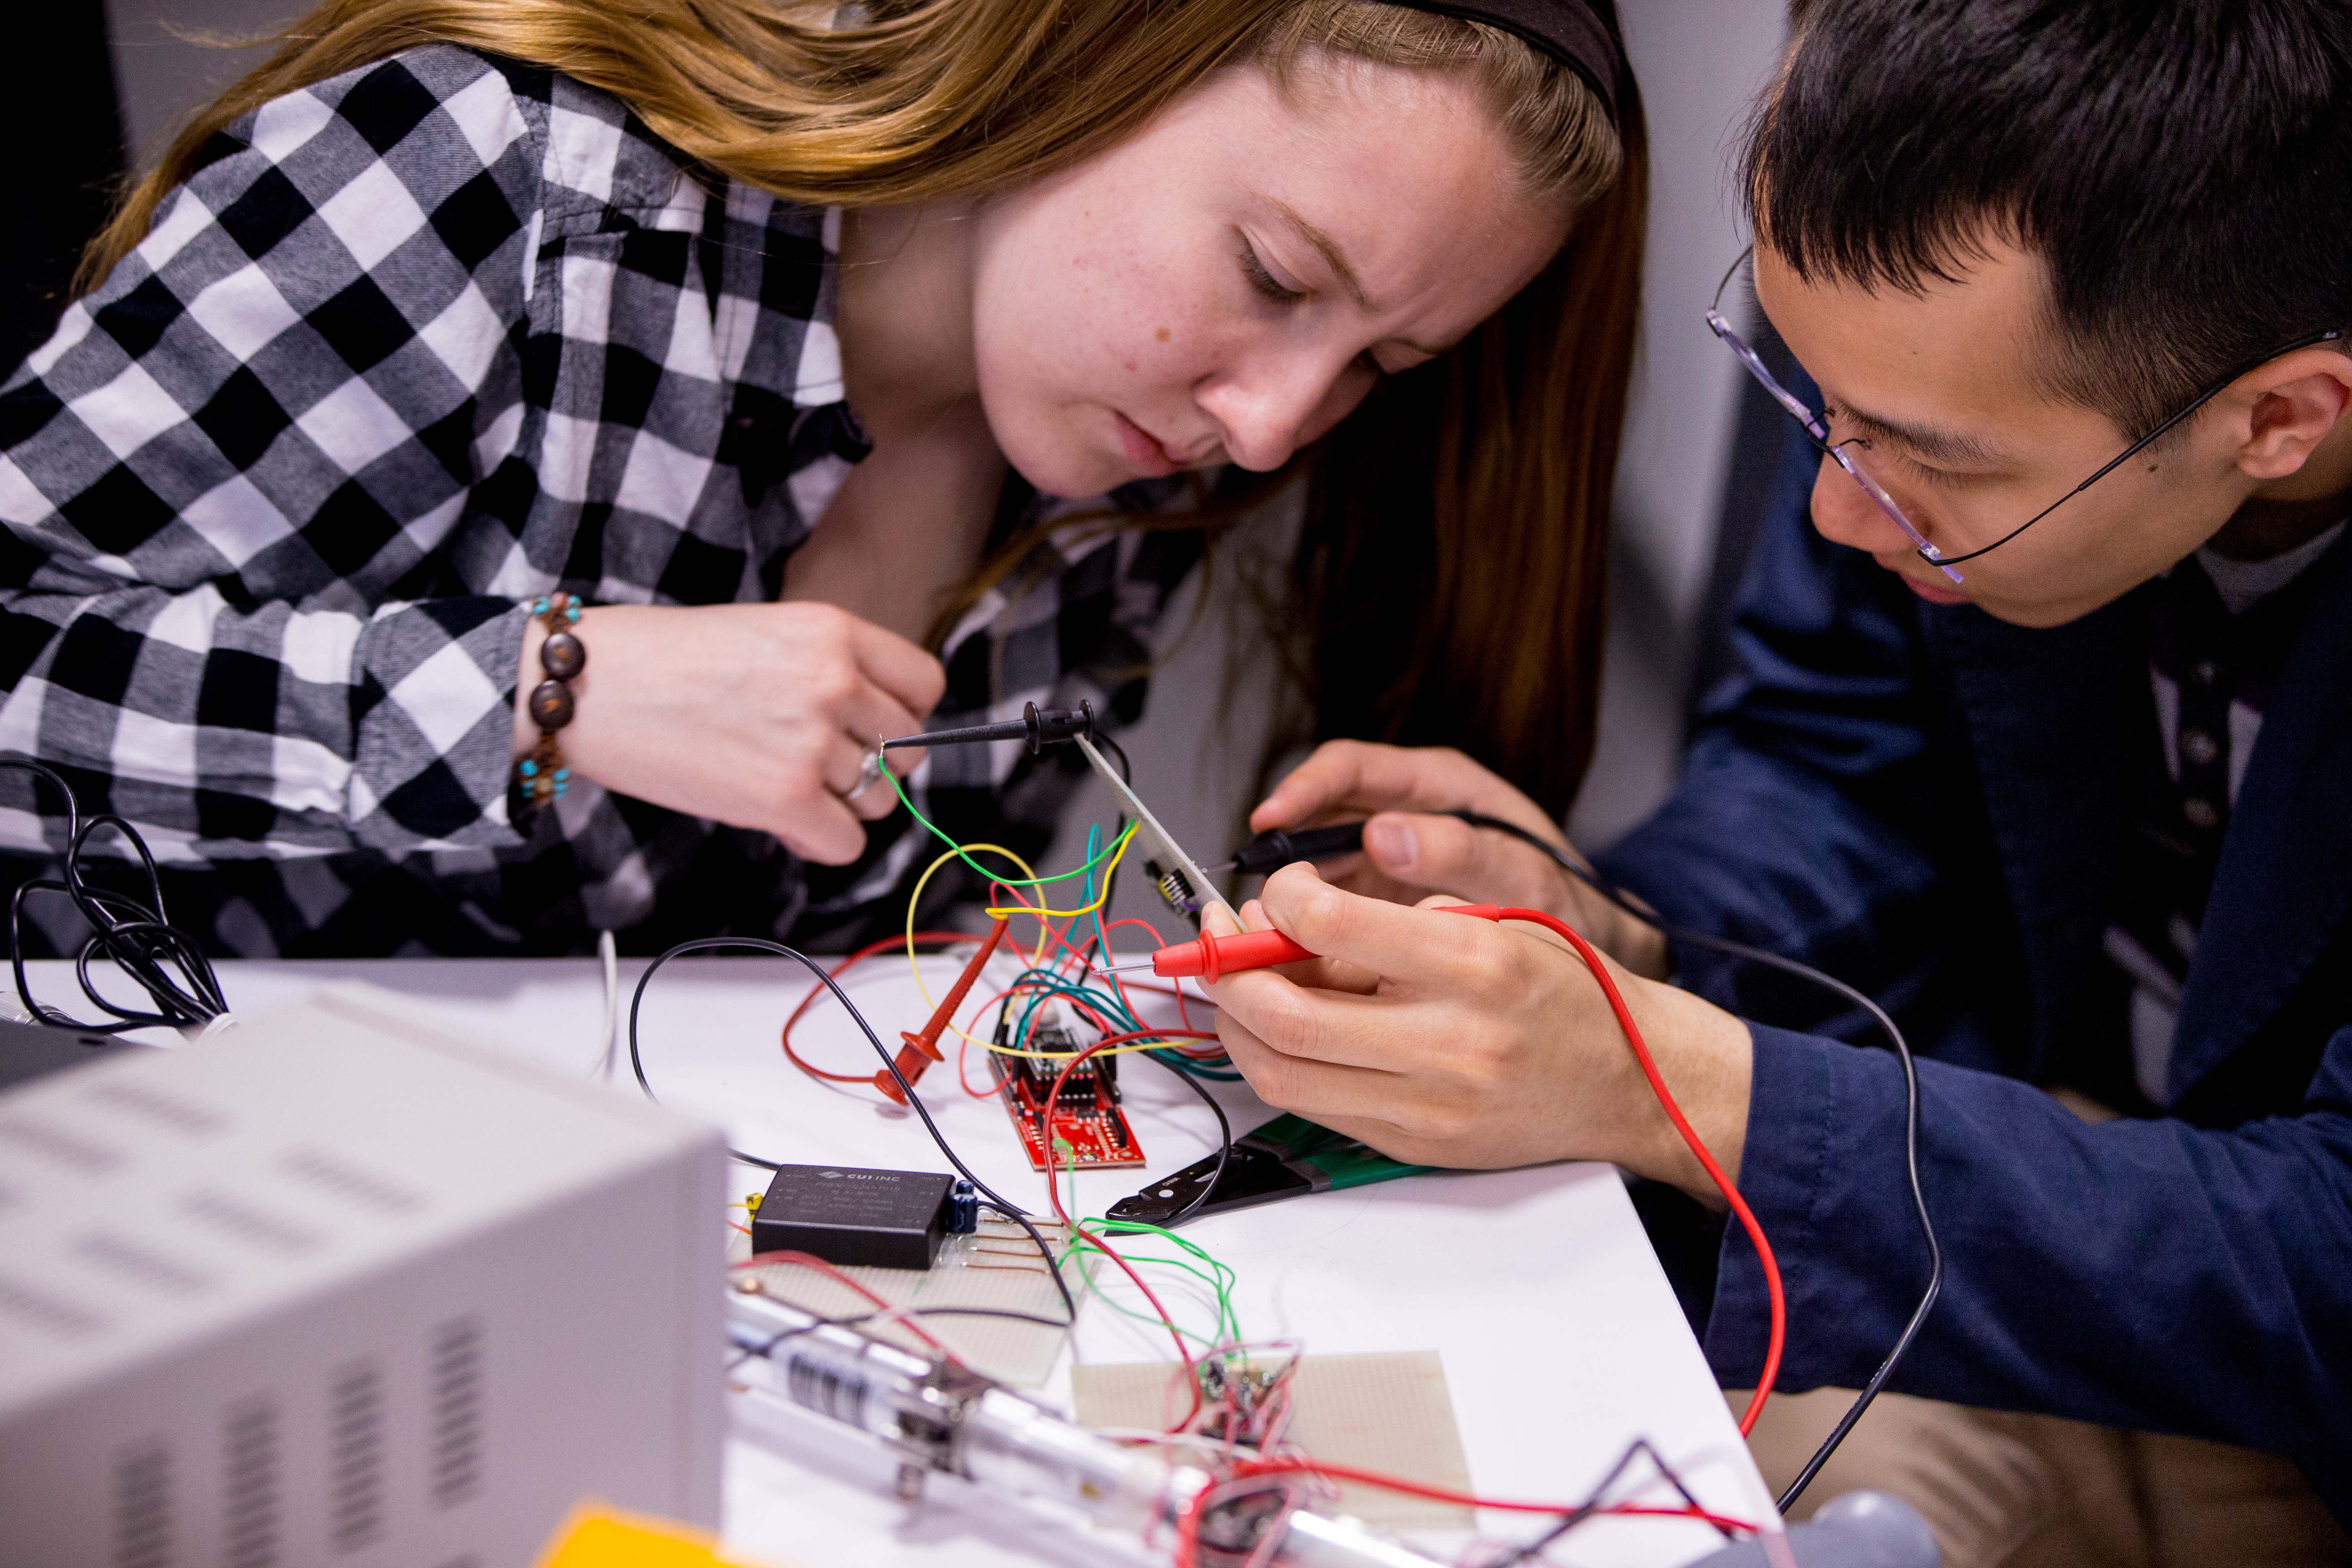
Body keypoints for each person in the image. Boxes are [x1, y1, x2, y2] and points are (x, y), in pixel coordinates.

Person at [1207, 2, 2352, 1563]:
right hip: (1999, 1187)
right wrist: (1621, 929)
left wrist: (1677, 1083)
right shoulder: (1932, 348)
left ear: (2277, 419)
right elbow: (1834, 759)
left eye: (1930, 463)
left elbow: (2327, 1256)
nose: (1832, 510)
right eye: (1812, 399)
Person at [0, 0, 1642, 956]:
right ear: (1086, 56)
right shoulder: (494, 181)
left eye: (1377, 364)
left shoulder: (1128, 465)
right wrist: (542, 695)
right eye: (1275, 276)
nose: (1274, 426)